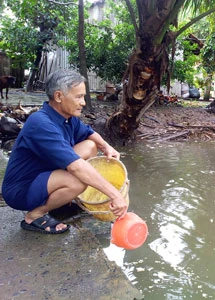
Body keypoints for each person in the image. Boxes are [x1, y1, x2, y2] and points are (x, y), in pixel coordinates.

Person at [1, 69, 128, 234]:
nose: (83, 102)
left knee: (90, 146)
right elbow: (76, 167)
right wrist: (115, 195)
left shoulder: (68, 118)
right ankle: (34, 215)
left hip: (44, 173)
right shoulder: (41, 123)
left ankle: (63, 200)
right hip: (22, 188)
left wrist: (107, 147)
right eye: (78, 97)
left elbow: (89, 132)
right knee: (79, 181)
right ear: (59, 96)